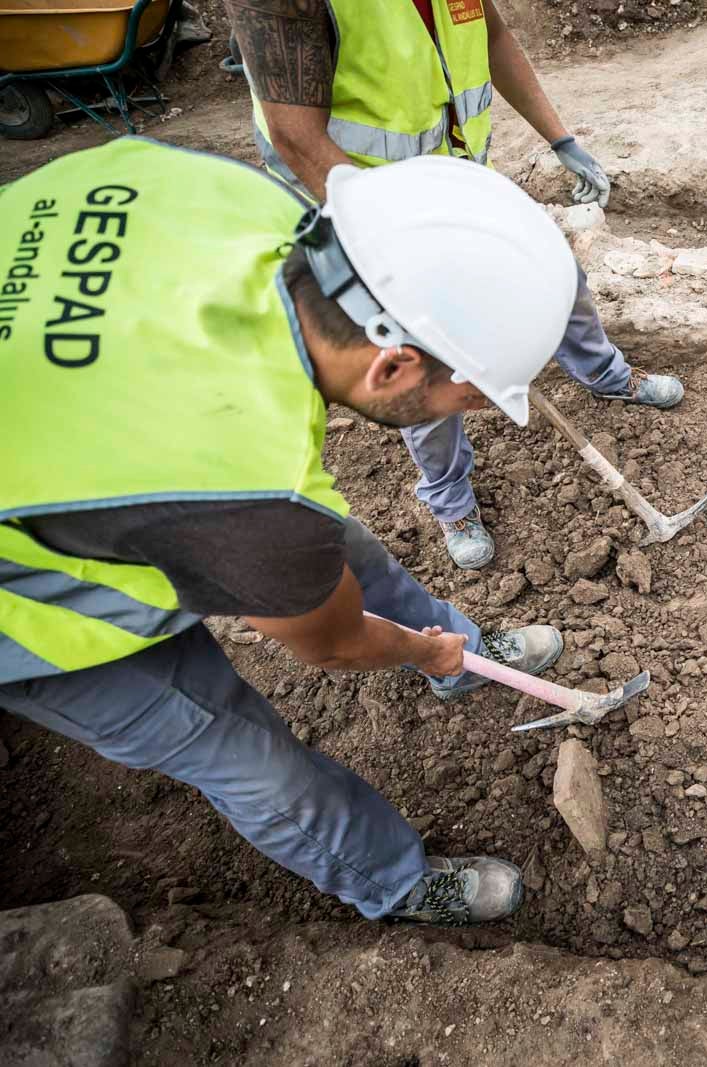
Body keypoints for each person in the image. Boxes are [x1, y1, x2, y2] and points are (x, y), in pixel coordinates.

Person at [0, 139, 577, 924]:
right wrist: (411, 646)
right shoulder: (248, 491)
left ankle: (463, 656)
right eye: (467, 396)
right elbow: (330, 646)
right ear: (393, 367)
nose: (468, 413)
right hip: (30, 604)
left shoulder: (255, 204)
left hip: (91, 463)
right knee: (236, 746)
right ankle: (395, 878)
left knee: (347, 551)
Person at [223, 0, 683, 569]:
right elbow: (293, 134)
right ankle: (450, 498)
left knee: (554, 272)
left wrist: (559, 138)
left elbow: (489, 35)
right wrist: (392, 247)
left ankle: (604, 372)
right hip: (361, 206)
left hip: (452, 182)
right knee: (427, 358)